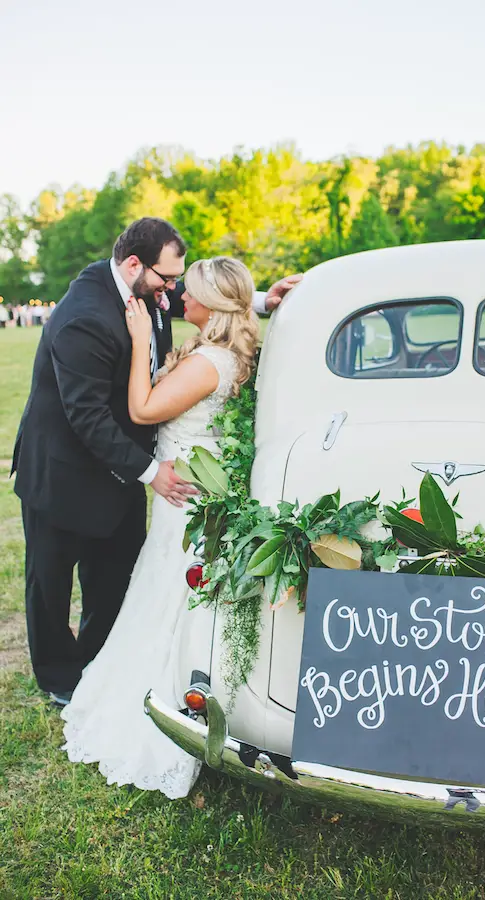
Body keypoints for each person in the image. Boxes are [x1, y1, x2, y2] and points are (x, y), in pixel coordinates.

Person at [12, 217, 300, 706]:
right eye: (167, 280)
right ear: (133, 265)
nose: (172, 291)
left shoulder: (147, 290)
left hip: (123, 469)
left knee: (116, 577)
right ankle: (59, 678)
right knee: (51, 583)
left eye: (178, 282)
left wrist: (255, 302)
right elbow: (86, 415)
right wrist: (150, 473)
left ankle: (102, 661)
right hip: (62, 472)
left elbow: (204, 299)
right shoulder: (84, 316)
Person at [61, 256, 258, 798]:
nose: (175, 298)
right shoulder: (228, 350)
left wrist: (143, 336)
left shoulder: (206, 362)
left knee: (170, 597)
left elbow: (144, 409)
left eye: (186, 290)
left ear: (210, 304)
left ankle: (161, 706)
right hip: (193, 492)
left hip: (185, 498)